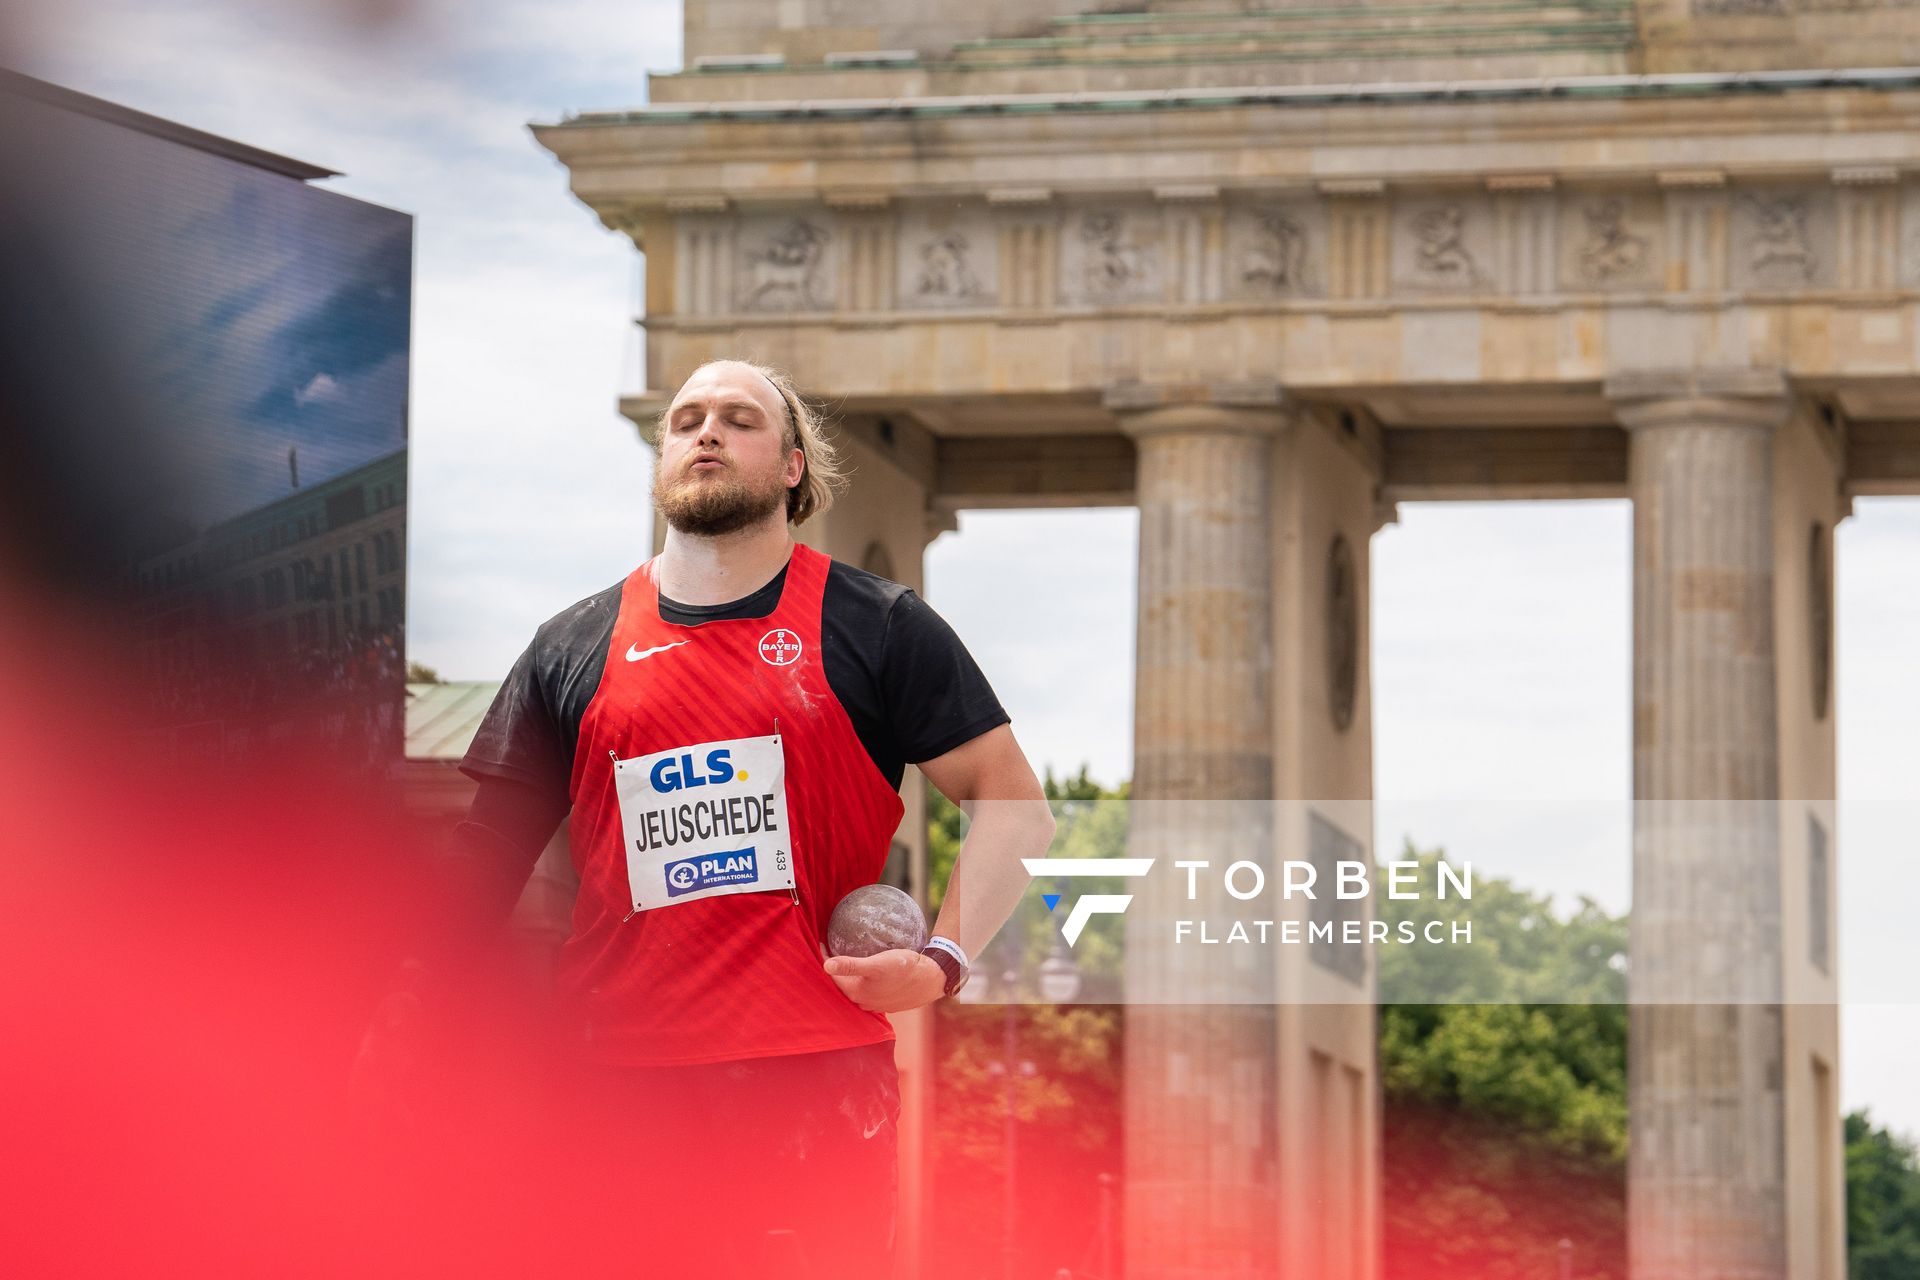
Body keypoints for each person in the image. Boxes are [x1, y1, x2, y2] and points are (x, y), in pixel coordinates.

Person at [392, 358, 1053, 1277]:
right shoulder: (571, 644)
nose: (706, 431)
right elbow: (483, 856)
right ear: (662, 456)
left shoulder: (879, 626)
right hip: (607, 1084)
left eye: (738, 419)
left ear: (792, 466)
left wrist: (942, 962)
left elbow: (1017, 810)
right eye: (686, 418)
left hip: (814, 1085)